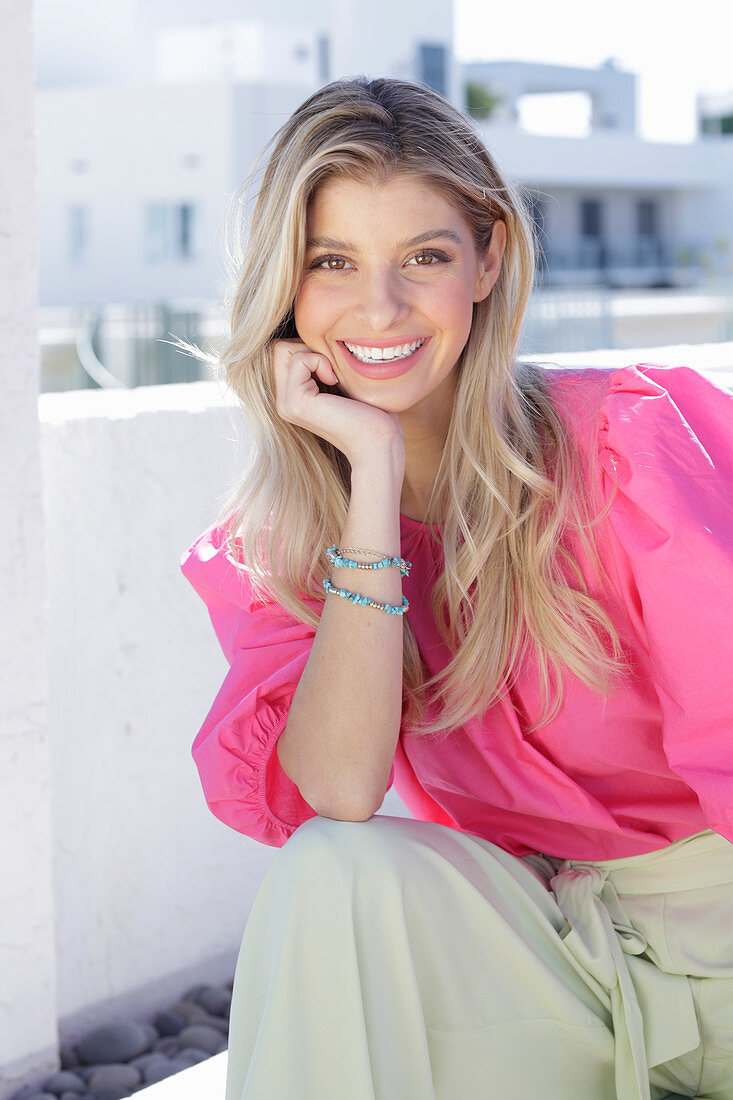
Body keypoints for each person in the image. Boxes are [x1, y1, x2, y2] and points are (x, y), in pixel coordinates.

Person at [180, 76, 733, 1100]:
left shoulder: (626, 446)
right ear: (286, 287)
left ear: (486, 258)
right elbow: (336, 793)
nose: (379, 308)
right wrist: (372, 479)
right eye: (332, 261)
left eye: (423, 258)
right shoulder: (290, 543)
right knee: (330, 874)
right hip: (554, 955)